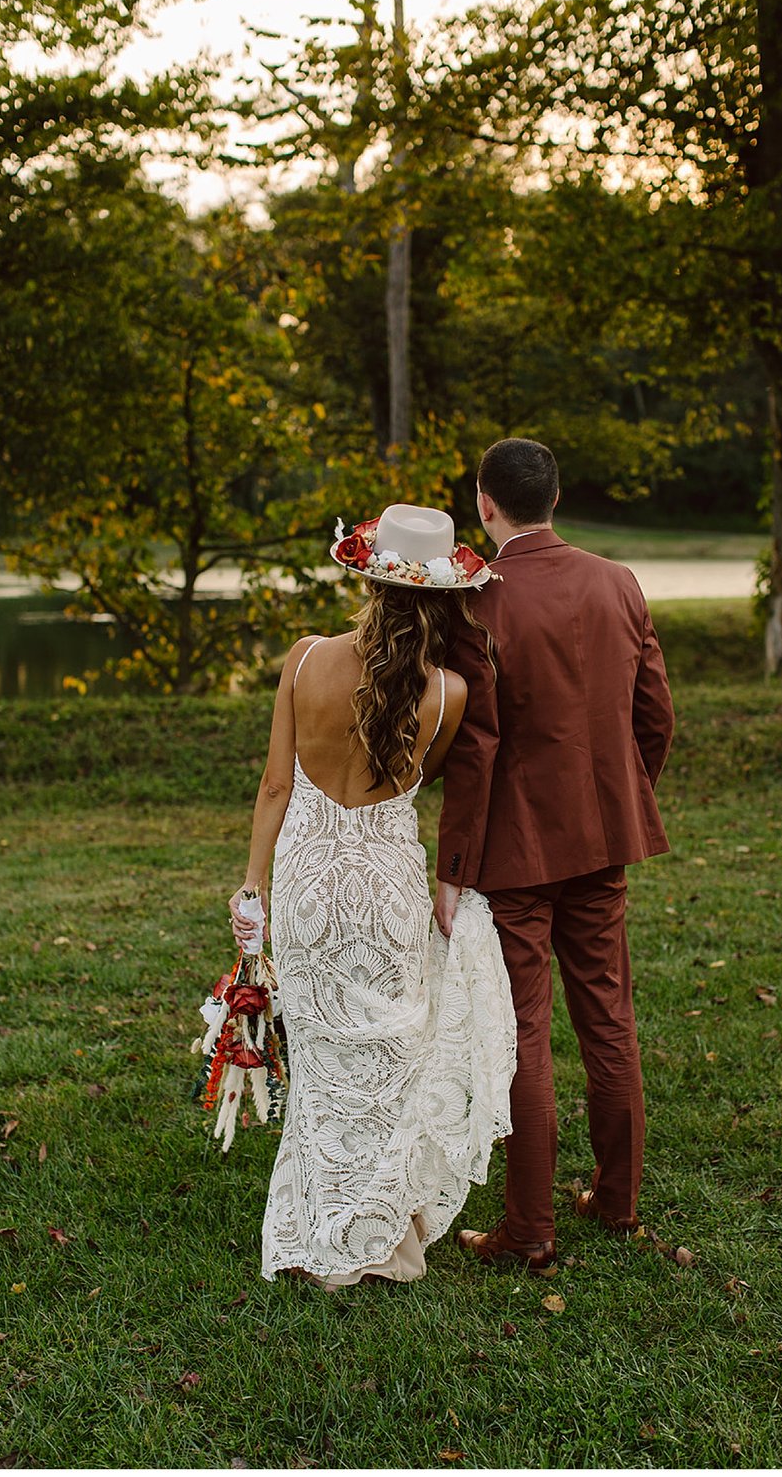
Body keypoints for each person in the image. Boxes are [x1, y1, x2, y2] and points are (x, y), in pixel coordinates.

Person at [229, 504, 517, 1291]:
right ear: (443, 599)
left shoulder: (302, 660)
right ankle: (387, 1246)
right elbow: (428, 774)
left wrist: (252, 885)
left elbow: (275, 785)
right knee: (392, 1059)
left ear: (366, 578)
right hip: (386, 883)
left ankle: (314, 1232)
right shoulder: (451, 692)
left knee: (321, 1061)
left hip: (310, 881)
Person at [433, 437, 675, 1274]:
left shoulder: (479, 604)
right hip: (602, 839)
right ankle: (617, 1202)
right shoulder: (619, 581)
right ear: (557, 497)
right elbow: (656, 716)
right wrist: (621, 794)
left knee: (525, 1030)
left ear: (484, 504)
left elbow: (475, 752)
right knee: (608, 1016)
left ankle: (530, 1231)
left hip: (518, 852)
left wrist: (452, 867)